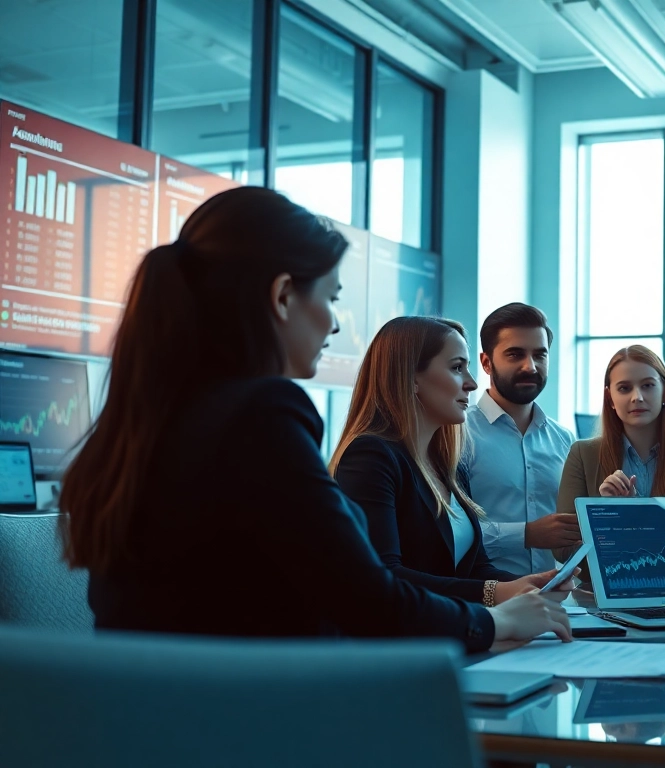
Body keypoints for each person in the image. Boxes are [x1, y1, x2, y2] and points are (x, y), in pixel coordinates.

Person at [61, 187, 570, 652]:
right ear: (283, 297)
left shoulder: (151, 418)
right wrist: (498, 622)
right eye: (329, 299)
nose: (332, 323)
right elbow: (367, 597)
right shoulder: (261, 415)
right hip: (245, 721)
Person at [330, 316, 577, 607]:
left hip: (459, 631)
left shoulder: (446, 464)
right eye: (457, 368)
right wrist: (495, 594)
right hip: (406, 644)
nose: (471, 384)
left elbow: (474, 569)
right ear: (412, 378)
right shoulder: (370, 457)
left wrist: (532, 584)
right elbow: (384, 576)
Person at [462, 302, 577, 575]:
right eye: (515, 355)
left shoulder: (565, 439)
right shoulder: (457, 433)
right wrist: (526, 535)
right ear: (486, 363)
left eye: (540, 355)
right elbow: (446, 533)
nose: (530, 366)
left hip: (559, 604)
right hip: (487, 605)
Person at [552, 344, 665, 570]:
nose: (637, 397)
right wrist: (609, 517)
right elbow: (562, 549)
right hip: (600, 601)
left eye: (647, 386)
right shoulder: (583, 455)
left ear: (664, 390)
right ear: (610, 398)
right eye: (624, 388)